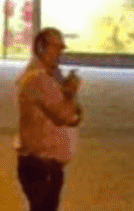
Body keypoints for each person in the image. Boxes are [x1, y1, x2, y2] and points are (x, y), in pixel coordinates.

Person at [17, 28, 83, 211]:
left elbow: (74, 116)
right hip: (40, 164)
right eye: (56, 48)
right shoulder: (38, 79)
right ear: (40, 47)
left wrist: (69, 98)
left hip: (48, 163)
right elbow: (64, 116)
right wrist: (70, 94)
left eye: (61, 49)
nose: (59, 54)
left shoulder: (50, 76)